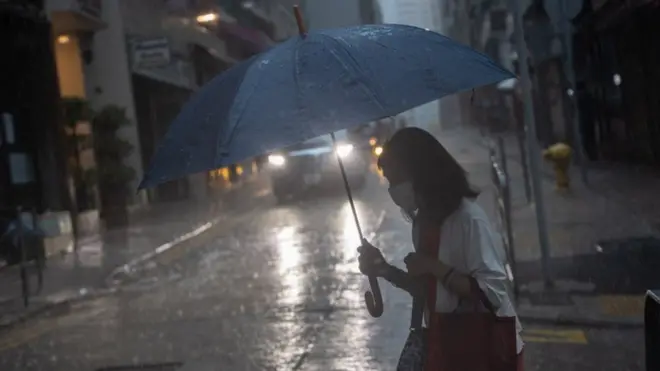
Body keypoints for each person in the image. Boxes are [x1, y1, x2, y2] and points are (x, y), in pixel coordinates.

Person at [357, 127, 524, 370]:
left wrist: (433, 266)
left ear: (421, 173)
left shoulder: (468, 220)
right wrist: (384, 270)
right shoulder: (423, 222)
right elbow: (430, 291)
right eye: (389, 182)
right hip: (444, 342)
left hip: (483, 348)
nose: (393, 190)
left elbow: (493, 293)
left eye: (397, 180)